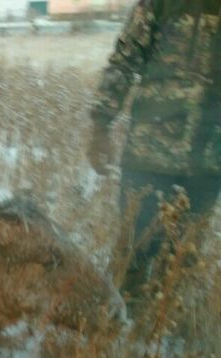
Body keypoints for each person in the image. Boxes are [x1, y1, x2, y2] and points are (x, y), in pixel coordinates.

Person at [88, 0, 221, 309]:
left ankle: (160, 336)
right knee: (135, 248)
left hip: (209, 158)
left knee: (183, 257)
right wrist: (100, 125)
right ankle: (117, 332)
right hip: (150, 151)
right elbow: (125, 59)